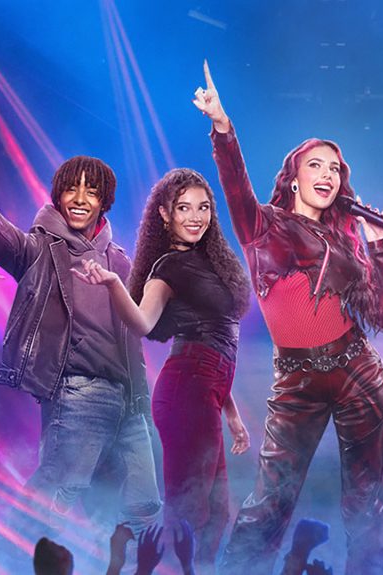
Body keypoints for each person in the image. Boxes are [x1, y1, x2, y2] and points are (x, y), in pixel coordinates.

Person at [193, 61, 383, 574]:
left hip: (358, 373)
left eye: (335, 168)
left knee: (371, 501)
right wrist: (222, 127)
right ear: (293, 178)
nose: (328, 174)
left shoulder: (349, 242)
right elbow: (235, 185)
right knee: (270, 501)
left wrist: (380, 248)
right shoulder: (264, 226)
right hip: (297, 381)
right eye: (316, 165)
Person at [0, 151, 161, 539]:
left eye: (91, 191)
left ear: (104, 201)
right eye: (71, 189)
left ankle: (116, 562)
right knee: (55, 492)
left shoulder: (119, 261)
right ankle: (5, 553)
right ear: (57, 196)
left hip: (129, 400)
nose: (80, 199)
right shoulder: (40, 248)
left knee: (142, 504)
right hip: (77, 390)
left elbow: (139, 329)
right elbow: (1, 239)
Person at [74, 167, 252, 571]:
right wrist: (112, 284)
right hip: (188, 390)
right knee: (191, 511)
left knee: (216, 512)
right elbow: (142, 322)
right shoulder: (168, 267)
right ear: (165, 213)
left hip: (206, 389)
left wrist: (231, 413)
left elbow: (218, 345)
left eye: (203, 208)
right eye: (184, 208)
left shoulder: (206, 261)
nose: (196, 217)